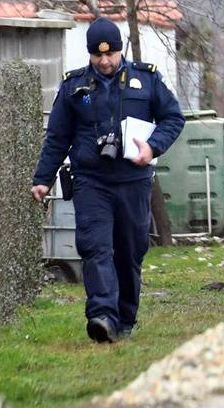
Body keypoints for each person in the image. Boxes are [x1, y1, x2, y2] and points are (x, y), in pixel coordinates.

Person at [31, 18, 185, 343]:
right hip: (91, 181)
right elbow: (58, 136)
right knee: (95, 247)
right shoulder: (74, 88)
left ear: (120, 51)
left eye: (111, 54)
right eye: (97, 55)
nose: (104, 61)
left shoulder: (146, 79)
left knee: (130, 251)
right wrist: (43, 179)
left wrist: (153, 146)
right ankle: (102, 316)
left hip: (133, 180)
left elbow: (173, 117)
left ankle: (125, 319)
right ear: (89, 55)